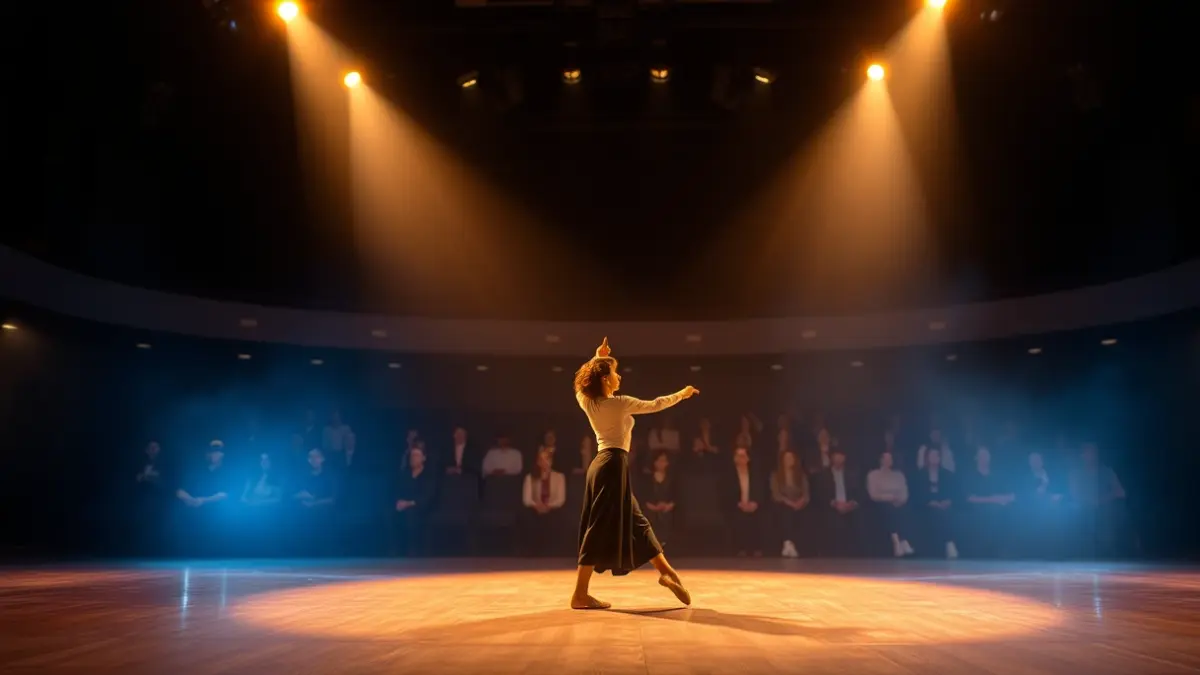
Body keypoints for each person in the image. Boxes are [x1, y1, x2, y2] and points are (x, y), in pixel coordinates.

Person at [571, 337, 699, 610]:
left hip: (603, 464)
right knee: (599, 526)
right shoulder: (619, 403)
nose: (619, 376)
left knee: (637, 520)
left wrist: (596, 358)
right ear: (605, 379)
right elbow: (656, 404)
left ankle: (667, 572)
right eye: (615, 372)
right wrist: (683, 394)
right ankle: (580, 594)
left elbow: (578, 388)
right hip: (613, 464)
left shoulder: (589, 403)